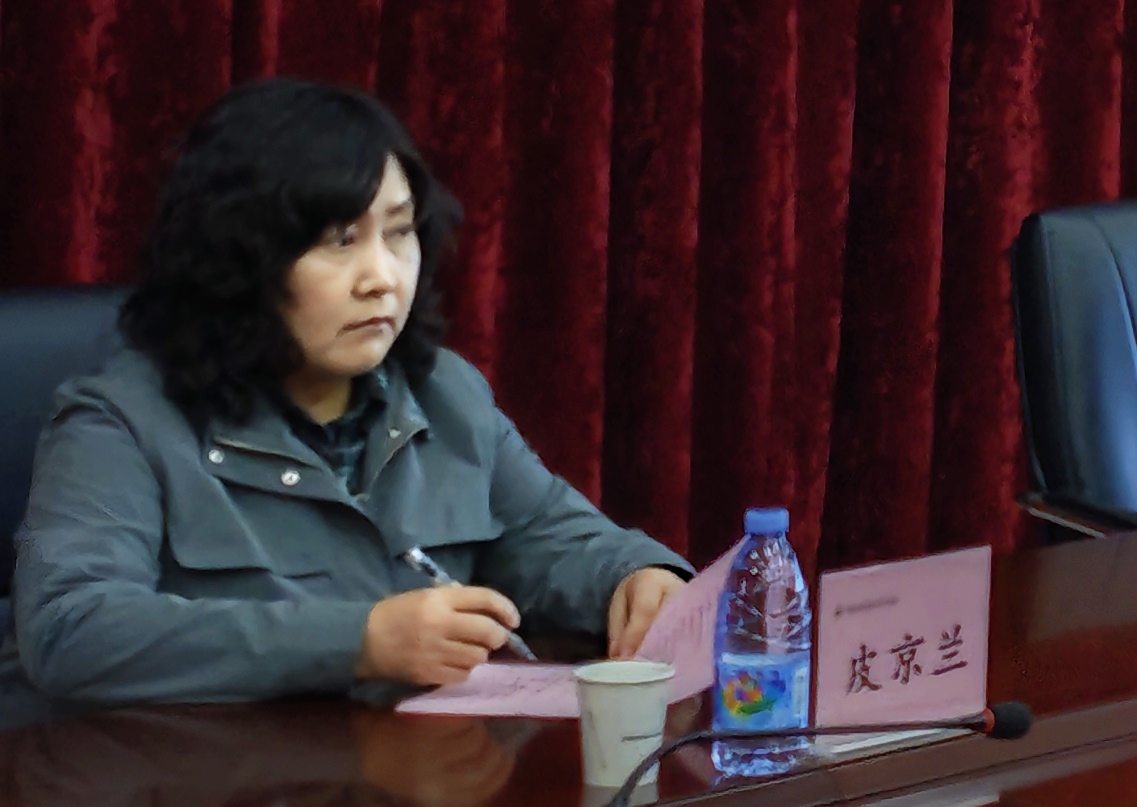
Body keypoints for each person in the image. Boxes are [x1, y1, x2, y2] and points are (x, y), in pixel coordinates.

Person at [8, 80, 690, 721]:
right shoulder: (119, 420)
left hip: (405, 780)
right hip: (193, 790)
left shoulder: (443, 392)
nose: (382, 278)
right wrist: (358, 641)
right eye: (341, 241)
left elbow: (546, 535)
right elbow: (70, 629)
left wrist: (633, 575)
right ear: (239, 262)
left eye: (399, 232)